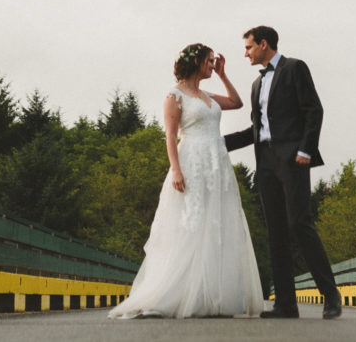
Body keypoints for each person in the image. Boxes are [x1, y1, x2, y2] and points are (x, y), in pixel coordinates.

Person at [109, 44, 264, 319]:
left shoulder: (206, 95)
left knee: (215, 223)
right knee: (188, 223)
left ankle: (210, 297)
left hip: (216, 165)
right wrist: (176, 170)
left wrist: (223, 75)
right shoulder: (175, 95)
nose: (212, 64)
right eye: (209, 61)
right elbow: (170, 136)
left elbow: (237, 102)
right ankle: (172, 294)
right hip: (191, 161)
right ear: (195, 62)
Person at [224, 26, 342, 319]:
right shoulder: (255, 84)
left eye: (249, 47)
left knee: (300, 223)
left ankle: (331, 296)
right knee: (275, 229)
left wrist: (305, 149)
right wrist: (219, 143)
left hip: (292, 159)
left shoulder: (294, 68)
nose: (246, 53)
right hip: (264, 162)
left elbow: (314, 110)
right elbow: (257, 129)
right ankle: (286, 304)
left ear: (264, 44)